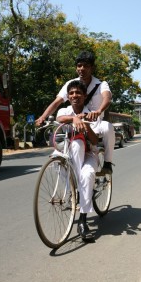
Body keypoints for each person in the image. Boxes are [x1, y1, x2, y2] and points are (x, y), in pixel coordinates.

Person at [36, 50, 115, 174]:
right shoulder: (71, 84)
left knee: (107, 127)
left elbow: (107, 98)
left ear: (92, 68)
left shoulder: (101, 84)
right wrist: (43, 117)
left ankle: (108, 162)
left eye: (86, 66)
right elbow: (57, 102)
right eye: (79, 66)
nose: (82, 69)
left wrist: (98, 111)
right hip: (74, 125)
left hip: (93, 126)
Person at [56, 80, 99, 240]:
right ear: (68, 96)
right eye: (72, 93)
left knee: (86, 175)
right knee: (56, 157)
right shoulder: (64, 110)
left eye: (78, 93)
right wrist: (74, 119)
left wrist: (86, 124)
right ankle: (73, 192)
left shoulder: (92, 113)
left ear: (85, 95)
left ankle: (83, 220)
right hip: (69, 154)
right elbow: (59, 118)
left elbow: (95, 141)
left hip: (88, 155)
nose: (75, 96)